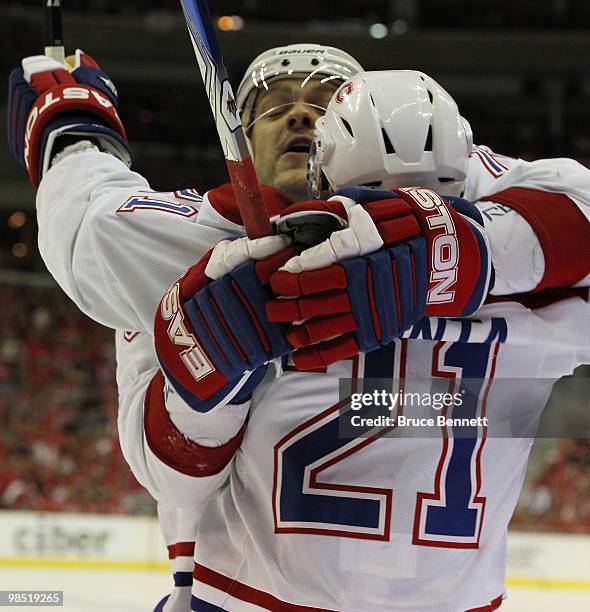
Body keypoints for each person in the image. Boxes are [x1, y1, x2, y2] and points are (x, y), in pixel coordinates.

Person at [6, 43, 590, 612]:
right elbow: (170, 478)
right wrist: (210, 380)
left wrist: (74, 137)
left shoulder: (178, 258)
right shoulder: (201, 262)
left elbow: (85, 224)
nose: (302, 112)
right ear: (240, 142)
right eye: (274, 103)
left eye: (327, 100)